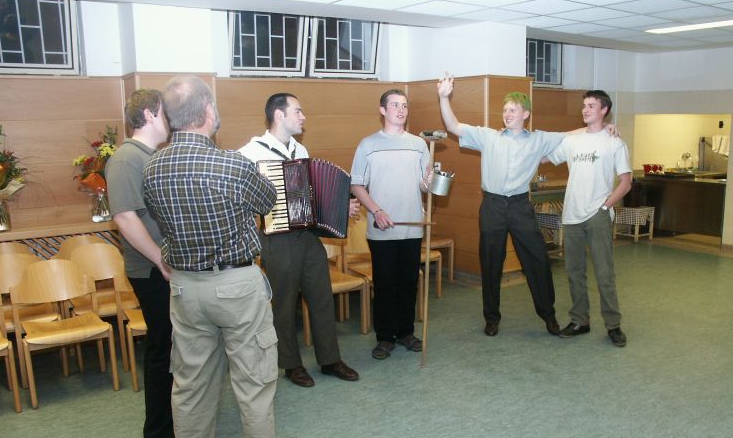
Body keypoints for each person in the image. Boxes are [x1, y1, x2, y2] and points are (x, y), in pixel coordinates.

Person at [143, 76, 308, 438]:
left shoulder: (152, 168)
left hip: (184, 289)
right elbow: (268, 200)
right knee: (254, 388)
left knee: (190, 388)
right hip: (235, 286)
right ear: (206, 113)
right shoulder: (231, 165)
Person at [238, 93, 360, 388]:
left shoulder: (300, 149)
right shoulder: (249, 153)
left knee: (322, 298)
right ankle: (291, 365)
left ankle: (330, 359)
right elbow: (241, 199)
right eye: (298, 111)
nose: (303, 117)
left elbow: (311, 195)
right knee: (283, 305)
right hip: (277, 240)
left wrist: (340, 205)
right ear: (279, 115)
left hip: (308, 236)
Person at [437, 74, 563, 338]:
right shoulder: (488, 137)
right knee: (491, 262)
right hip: (492, 205)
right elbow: (453, 125)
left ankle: (549, 315)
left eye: (513, 110)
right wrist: (443, 97)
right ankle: (491, 318)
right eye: (505, 110)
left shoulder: (539, 139)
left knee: (538, 259)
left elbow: (571, 136)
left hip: (520, 206)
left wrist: (602, 128)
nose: (507, 114)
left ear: (525, 114)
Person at [105, 88, 175, 438]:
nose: (170, 120)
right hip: (151, 270)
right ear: (148, 114)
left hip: (163, 267)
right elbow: (125, 218)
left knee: (174, 348)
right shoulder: (126, 158)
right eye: (165, 112)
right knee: (162, 349)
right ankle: (158, 435)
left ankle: (176, 423)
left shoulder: (152, 156)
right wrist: (161, 260)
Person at [545, 90, 632, 347]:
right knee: (574, 272)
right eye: (584, 105)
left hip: (598, 215)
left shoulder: (614, 142)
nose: (585, 109)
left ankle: (613, 325)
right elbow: (544, 155)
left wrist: (605, 207)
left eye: (591, 106)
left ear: (604, 110)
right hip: (572, 216)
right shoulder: (572, 141)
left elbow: (626, 182)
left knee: (604, 273)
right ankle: (580, 321)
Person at [351, 89, 431, 360]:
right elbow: (357, 184)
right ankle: (385, 337)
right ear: (383, 110)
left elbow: (424, 185)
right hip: (382, 227)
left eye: (404, 105)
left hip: (412, 225)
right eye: (395, 105)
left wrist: (430, 180)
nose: (401, 110)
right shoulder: (368, 145)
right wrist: (375, 210)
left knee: (409, 282)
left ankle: (406, 332)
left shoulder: (419, 144)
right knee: (385, 285)